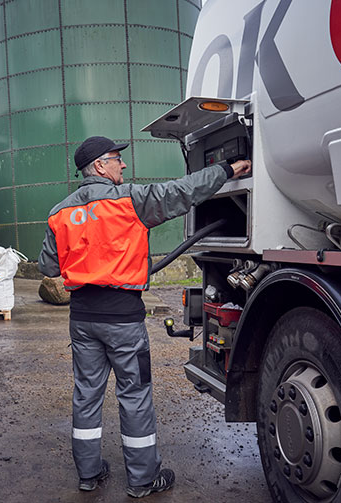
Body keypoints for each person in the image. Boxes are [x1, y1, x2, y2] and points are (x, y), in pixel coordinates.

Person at [38, 135, 250, 498]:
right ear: (100, 166)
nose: (123, 165)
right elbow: (183, 191)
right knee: (134, 396)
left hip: (83, 319)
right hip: (123, 321)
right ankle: (142, 480)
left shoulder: (60, 213)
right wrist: (227, 169)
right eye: (117, 158)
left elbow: (48, 266)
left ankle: (88, 475)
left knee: (86, 395)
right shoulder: (132, 201)